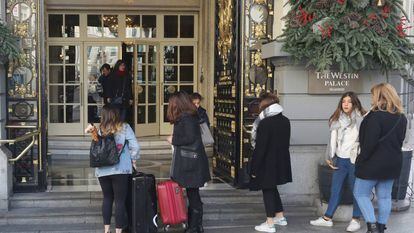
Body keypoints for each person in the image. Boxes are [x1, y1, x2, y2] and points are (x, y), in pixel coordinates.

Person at [353, 83, 407, 233]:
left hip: (372, 164)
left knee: (360, 193)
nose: (371, 98)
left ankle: (373, 227)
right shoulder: (401, 118)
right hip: (392, 163)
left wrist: (360, 160)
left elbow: (368, 144)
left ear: (378, 96)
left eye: (372, 95)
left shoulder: (374, 117)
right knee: (384, 197)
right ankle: (381, 228)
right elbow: (401, 140)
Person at [310, 92, 366, 232]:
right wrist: (329, 156)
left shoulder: (361, 119)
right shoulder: (337, 120)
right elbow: (331, 141)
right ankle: (327, 218)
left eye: (349, 101)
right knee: (335, 189)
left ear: (355, 103)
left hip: (355, 160)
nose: (346, 104)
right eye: (343, 101)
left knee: (356, 190)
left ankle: (356, 219)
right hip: (340, 159)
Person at [85, 105, 140, 233]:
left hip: (102, 170)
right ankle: (118, 231)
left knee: (107, 198)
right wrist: (133, 159)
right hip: (121, 170)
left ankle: (106, 230)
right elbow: (135, 146)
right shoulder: (124, 127)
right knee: (120, 201)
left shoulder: (99, 130)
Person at [166, 91, 211, 233]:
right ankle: (195, 225)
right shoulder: (188, 116)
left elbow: (189, 138)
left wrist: (173, 140)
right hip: (191, 161)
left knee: (193, 194)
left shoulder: (187, 118)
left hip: (191, 163)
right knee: (193, 194)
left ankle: (195, 227)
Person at [249, 92, 292, 233]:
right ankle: (280, 216)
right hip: (281, 161)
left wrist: (254, 168)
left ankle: (269, 223)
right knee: (272, 188)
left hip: (267, 162)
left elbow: (260, 148)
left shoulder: (265, 122)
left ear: (265, 105)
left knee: (267, 190)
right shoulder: (285, 120)